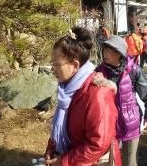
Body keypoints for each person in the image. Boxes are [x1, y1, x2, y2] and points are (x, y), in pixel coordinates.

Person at [45, 27, 121, 166]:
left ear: (75, 65)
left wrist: (64, 161)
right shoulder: (67, 91)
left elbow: (97, 145)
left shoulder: (97, 94)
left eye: (56, 64)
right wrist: (52, 148)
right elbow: (60, 127)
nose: (52, 69)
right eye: (52, 64)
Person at [96, 35, 147, 166]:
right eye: (104, 50)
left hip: (130, 122)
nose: (105, 53)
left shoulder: (133, 70)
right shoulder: (99, 72)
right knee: (109, 161)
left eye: (109, 50)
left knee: (129, 162)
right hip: (108, 124)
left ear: (119, 53)